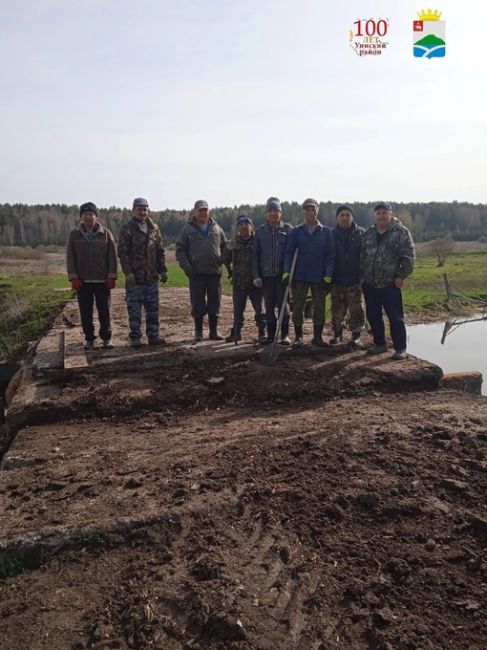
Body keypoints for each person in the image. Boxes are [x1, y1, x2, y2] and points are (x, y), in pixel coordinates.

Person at [360, 202, 415, 360]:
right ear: (374, 215)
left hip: (390, 283)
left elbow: (408, 257)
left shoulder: (400, 232)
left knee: (395, 317)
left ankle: (400, 348)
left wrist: (400, 276)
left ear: (390, 214)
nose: (381, 216)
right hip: (370, 283)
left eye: (385, 213)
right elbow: (362, 255)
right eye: (378, 213)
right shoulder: (369, 233)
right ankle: (380, 343)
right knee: (373, 315)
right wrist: (361, 276)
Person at [283, 198, 335, 347]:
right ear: (303, 211)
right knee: (298, 306)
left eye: (314, 209)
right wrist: (287, 272)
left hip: (319, 277)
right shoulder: (296, 231)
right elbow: (289, 252)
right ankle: (298, 337)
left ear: (318, 210)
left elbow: (331, 255)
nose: (311, 212)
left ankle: (317, 337)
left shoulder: (326, 232)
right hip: (299, 276)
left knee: (319, 306)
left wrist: (328, 274)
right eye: (308, 209)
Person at [66, 202, 117, 350]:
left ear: (96, 216)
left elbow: (112, 256)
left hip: (102, 280)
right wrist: (73, 277)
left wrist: (112, 275)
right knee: (85, 312)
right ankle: (89, 339)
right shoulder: (74, 235)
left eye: (91, 214)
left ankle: (106, 339)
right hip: (82, 282)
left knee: (104, 311)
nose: (88, 217)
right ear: (81, 217)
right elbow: (70, 257)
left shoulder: (106, 233)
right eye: (85, 214)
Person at [117, 197, 167, 347]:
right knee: (134, 311)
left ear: (148, 210)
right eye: (139, 209)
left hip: (151, 277)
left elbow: (160, 251)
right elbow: (122, 253)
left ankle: (153, 336)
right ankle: (135, 338)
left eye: (145, 209)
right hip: (135, 278)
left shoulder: (154, 228)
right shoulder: (127, 228)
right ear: (134, 210)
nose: (142, 212)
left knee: (153, 310)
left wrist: (162, 270)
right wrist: (128, 273)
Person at [175, 200, 227, 342]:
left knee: (214, 303)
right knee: (197, 303)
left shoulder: (216, 227)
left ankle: (213, 332)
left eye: (205, 210)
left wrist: (222, 261)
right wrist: (187, 267)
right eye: (200, 210)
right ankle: (198, 332)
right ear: (195, 212)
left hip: (214, 273)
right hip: (196, 273)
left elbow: (225, 247)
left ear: (209, 211)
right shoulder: (187, 229)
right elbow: (179, 250)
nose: (203, 213)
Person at [252, 197, 293, 345]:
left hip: (283, 276)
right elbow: (255, 256)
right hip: (266, 277)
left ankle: (284, 335)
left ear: (281, 213)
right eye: (270, 211)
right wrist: (256, 275)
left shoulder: (288, 230)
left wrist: (289, 273)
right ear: (266, 214)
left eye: (276, 210)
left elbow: (293, 252)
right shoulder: (260, 232)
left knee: (284, 307)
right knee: (269, 308)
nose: (273, 213)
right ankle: (270, 335)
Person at [222, 215, 266, 343]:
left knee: (260, 310)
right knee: (238, 310)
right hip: (238, 283)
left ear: (251, 227)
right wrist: (230, 271)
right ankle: (236, 333)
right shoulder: (233, 243)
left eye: (247, 224)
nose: (244, 226)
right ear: (238, 228)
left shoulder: (258, 241)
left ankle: (262, 333)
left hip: (255, 282)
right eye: (241, 224)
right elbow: (225, 258)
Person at [330, 205, 365, 346]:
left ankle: (355, 336)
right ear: (337, 217)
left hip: (355, 281)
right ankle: (337, 334)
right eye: (342, 215)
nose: (345, 217)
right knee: (337, 311)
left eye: (347, 215)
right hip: (337, 280)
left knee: (356, 310)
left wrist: (363, 276)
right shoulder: (331, 234)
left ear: (352, 217)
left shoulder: (361, 233)